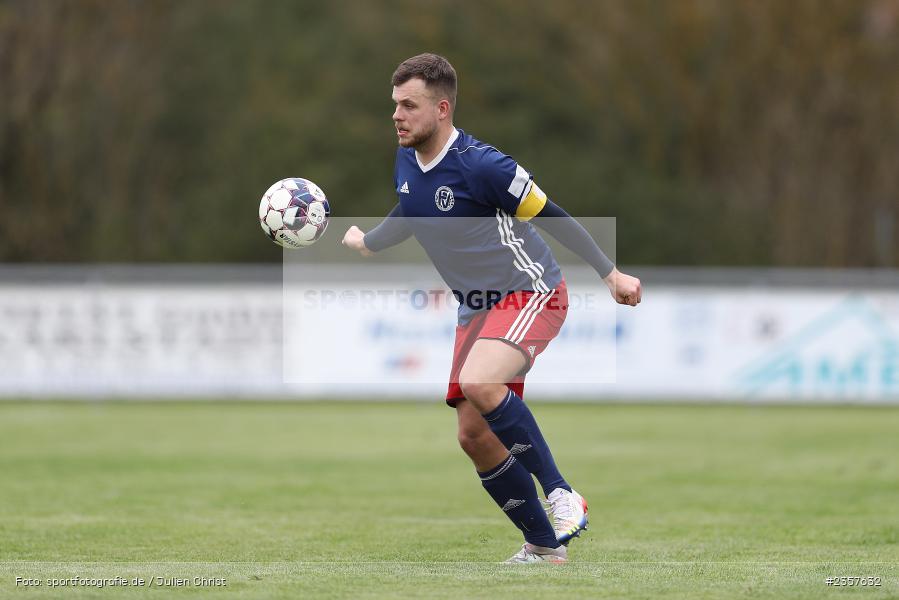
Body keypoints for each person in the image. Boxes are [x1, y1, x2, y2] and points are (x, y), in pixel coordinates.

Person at [342, 53, 641, 563]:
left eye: (408, 106)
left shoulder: (484, 165)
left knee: (481, 383)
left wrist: (609, 271)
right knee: (474, 436)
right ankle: (544, 548)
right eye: (394, 105)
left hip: (530, 291)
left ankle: (563, 494)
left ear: (441, 108)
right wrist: (370, 242)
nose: (397, 115)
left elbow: (552, 214)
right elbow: (411, 206)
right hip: (475, 309)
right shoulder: (406, 157)